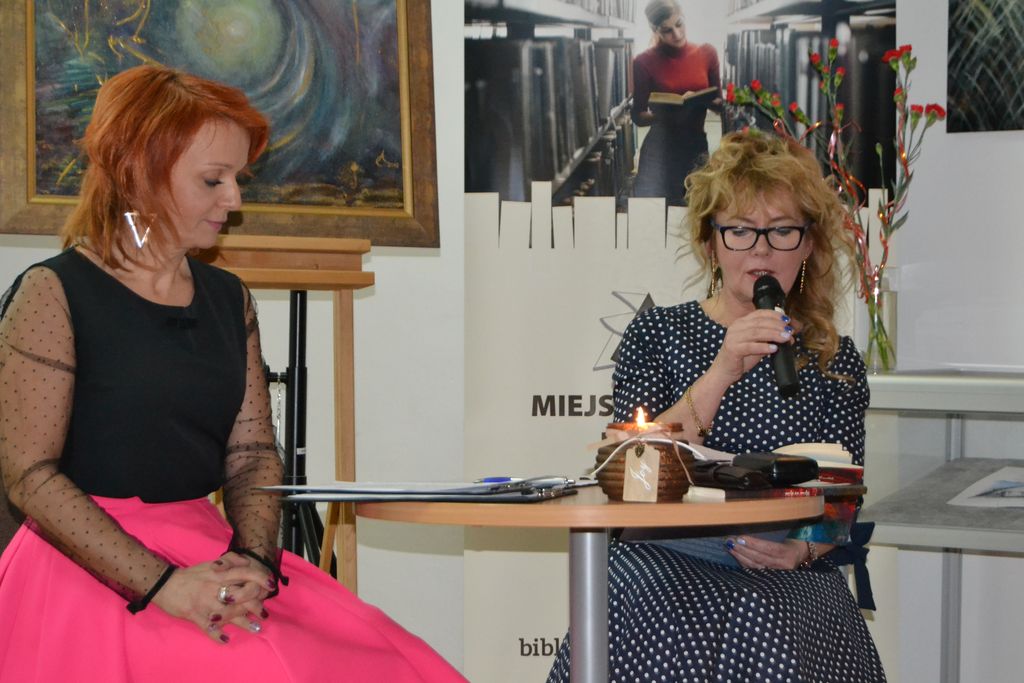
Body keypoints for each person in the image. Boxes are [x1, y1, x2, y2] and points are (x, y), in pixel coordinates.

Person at [0, 65, 465, 682]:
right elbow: (29, 476)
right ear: (137, 172)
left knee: (393, 665)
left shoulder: (227, 297)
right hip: (87, 566)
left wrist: (255, 561)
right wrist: (163, 584)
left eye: (237, 180)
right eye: (212, 180)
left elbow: (252, 455)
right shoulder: (52, 293)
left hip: (208, 554)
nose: (234, 201)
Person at [547, 131, 886, 682]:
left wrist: (800, 552)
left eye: (782, 230)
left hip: (787, 567)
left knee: (766, 612)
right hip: (665, 557)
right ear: (711, 243)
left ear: (807, 246)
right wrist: (722, 370)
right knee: (669, 612)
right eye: (740, 230)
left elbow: (843, 495)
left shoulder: (833, 358)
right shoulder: (658, 334)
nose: (761, 249)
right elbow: (628, 471)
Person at [631, 0, 722, 206]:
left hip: (695, 147)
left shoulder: (707, 53)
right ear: (655, 30)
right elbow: (638, 115)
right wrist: (662, 115)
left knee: (695, 211)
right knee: (651, 214)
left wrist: (699, 99)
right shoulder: (643, 62)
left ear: (683, 17)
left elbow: (719, 104)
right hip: (659, 151)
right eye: (667, 30)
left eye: (679, 24)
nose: (677, 34)